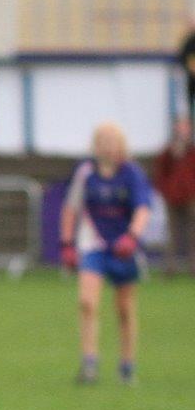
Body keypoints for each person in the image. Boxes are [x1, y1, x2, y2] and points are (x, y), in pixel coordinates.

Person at [59, 122, 152, 385]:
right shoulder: (86, 173)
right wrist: (66, 244)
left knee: (124, 309)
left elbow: (143, 208)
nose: (108, 146)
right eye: (103, 140)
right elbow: (70, 208)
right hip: (94, 245)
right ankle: (89, 363)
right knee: (87, 302)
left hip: (123, 248)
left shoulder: (131, 173)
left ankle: (127, 365)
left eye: (113, 141)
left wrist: (132, 237)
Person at [152, 116, 195, 275]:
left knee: (192, 232)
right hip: (172, 196)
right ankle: (170, 267)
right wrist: (164, 190)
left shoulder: (192, 151)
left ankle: (193, 266)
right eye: (180, 127)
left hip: (191, 196)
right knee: (172, 233)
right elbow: (160, 172)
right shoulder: (168, 152)